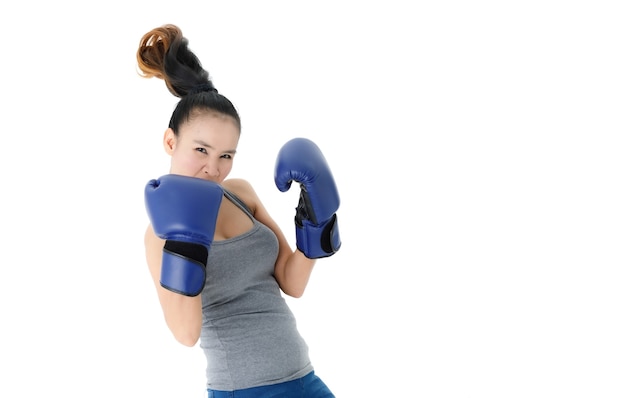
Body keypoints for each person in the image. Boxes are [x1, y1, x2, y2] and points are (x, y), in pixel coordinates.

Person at [136, 24, 341, 398]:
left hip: (305, 378)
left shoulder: (240, 193)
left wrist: (317, 220)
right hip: (244, 390)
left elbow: (290, 281)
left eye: (225, 155)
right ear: (171, 141)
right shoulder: (160, 234)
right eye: (201, 150)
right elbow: (185, 334)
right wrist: (187, 242)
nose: (213, 168)